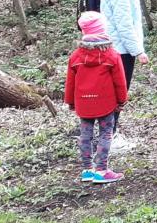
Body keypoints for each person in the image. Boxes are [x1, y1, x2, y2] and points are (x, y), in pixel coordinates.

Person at [65, 11, 128, 184]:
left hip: (84, 103)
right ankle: (101, 170)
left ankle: (87, 170)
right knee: (105, 134)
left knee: (85, 135)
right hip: (106, 103)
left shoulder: (75, 56)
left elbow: (70, 82)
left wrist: (70, 102)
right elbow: (120, 82)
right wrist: (122, 100)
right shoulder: (112, 55)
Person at [99, 0, 147, 134]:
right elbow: (124, 25)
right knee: (118, 93)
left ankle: (108, 133)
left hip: (114, 47)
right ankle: (109, 135)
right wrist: (138, 51)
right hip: (121, 50)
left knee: (113, 93)